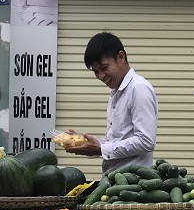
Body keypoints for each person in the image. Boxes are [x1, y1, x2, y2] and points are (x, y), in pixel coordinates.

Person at [64, 32, 158, 175]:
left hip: (133, 185)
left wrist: (101, 149)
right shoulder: (117, 92)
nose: (101, 77)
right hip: (115, 181)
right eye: (96, 72)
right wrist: (89, 144)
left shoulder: (138, 88)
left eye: (104, 68)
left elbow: (146, 141)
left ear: (121, 57)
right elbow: (118, 140)